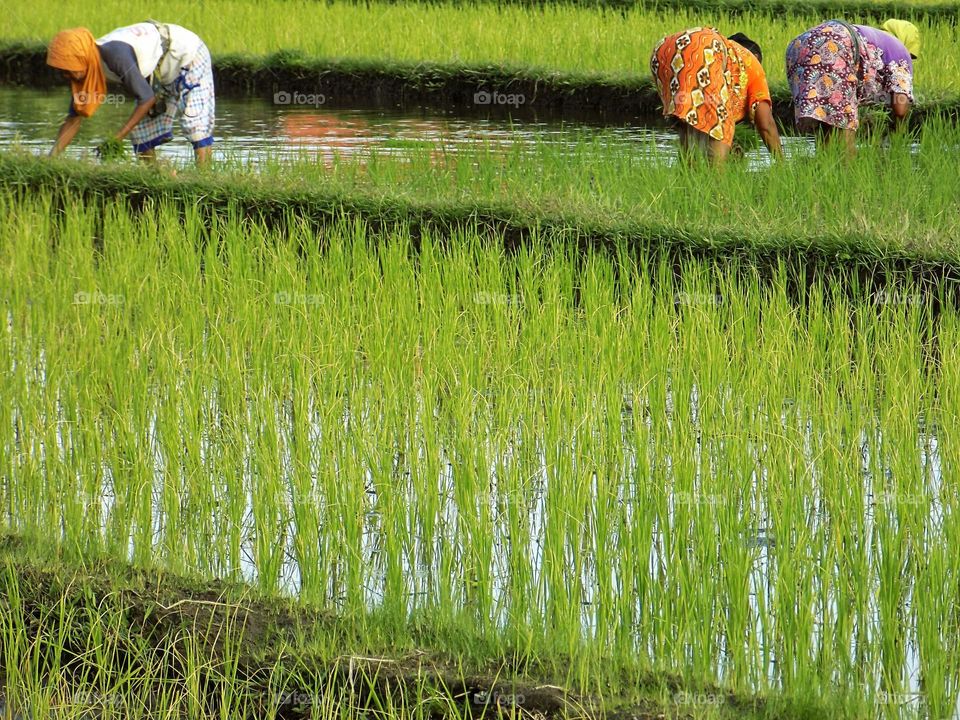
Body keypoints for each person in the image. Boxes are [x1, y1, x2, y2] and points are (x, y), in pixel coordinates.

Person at [46, 22, 215, 165]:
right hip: (158, 70)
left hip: (187, 55)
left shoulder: (115, 55)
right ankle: (155, 177)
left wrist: (116, 139)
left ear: (81, 58)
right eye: (62, 72)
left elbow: (146, 98)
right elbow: (73, 119)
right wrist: (51, 159)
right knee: (141, 133)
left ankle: (204, 178)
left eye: (68, 71)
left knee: (194, 123)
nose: (66, 77)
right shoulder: (87, 69)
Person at [650, 27, 783, 163]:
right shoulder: (752, 62)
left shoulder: (730, 64)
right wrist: (782, 163)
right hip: (703, 47)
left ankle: (689, 176)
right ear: (757, 57)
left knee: (689, 125)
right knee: (721, 127)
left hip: (663, 51)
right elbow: (766, 123)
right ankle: (717, 181)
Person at [786, 19, 919, 153]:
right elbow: (901, 108)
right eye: (911, 57)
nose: (909, 61)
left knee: (826, 122)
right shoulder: (899, 49)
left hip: (799, 45)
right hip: (834, 45)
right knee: (845, 130)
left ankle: (824, 168)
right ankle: (848, 171)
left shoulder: (873, 38)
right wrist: (898, 134)